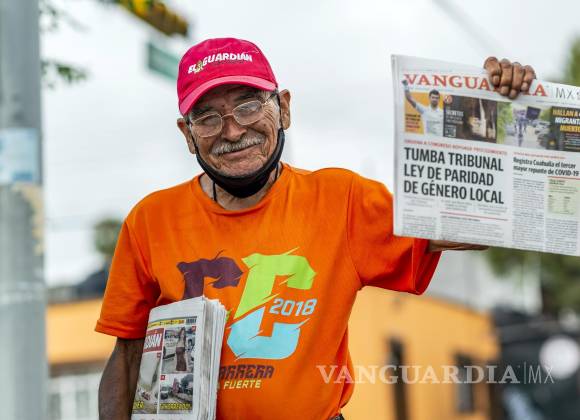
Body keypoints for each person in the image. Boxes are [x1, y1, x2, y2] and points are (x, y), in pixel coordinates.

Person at [95, 38, 536, 420]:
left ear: (284, 108)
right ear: (187, 134)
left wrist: (500, 113)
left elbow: (477, 223)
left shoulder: (341, 200)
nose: (231, 130)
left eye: (249, 106)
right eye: (207, 118)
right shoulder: (150, 221)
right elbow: (128, 356)